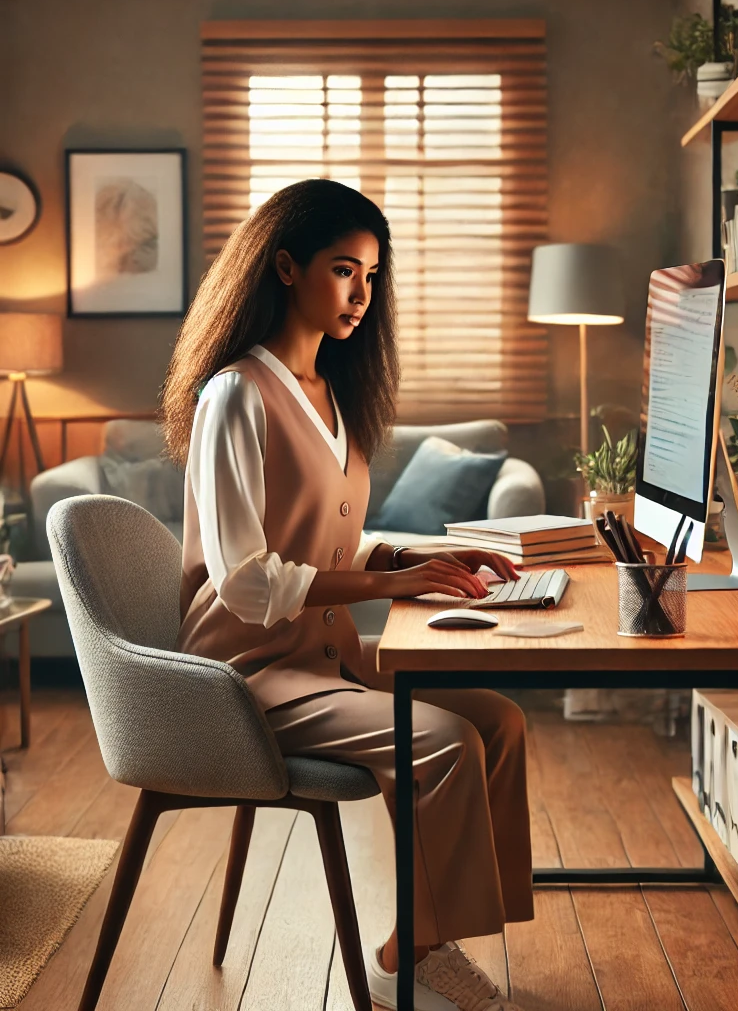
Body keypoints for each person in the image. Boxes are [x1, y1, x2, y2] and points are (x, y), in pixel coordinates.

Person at [161, 179, 533, 1011]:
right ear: (285, 268)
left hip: (329, 660)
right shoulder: (234, 396)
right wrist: (387, 582)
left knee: (498, 721)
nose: (362, 294)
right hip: (247, 674)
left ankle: (429, 938)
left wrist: (417, 552)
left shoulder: (331, 395)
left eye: (372, 274)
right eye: (343, 271)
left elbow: (325, 541)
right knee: (442, 741)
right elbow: (247, 580)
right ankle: (411, 953)